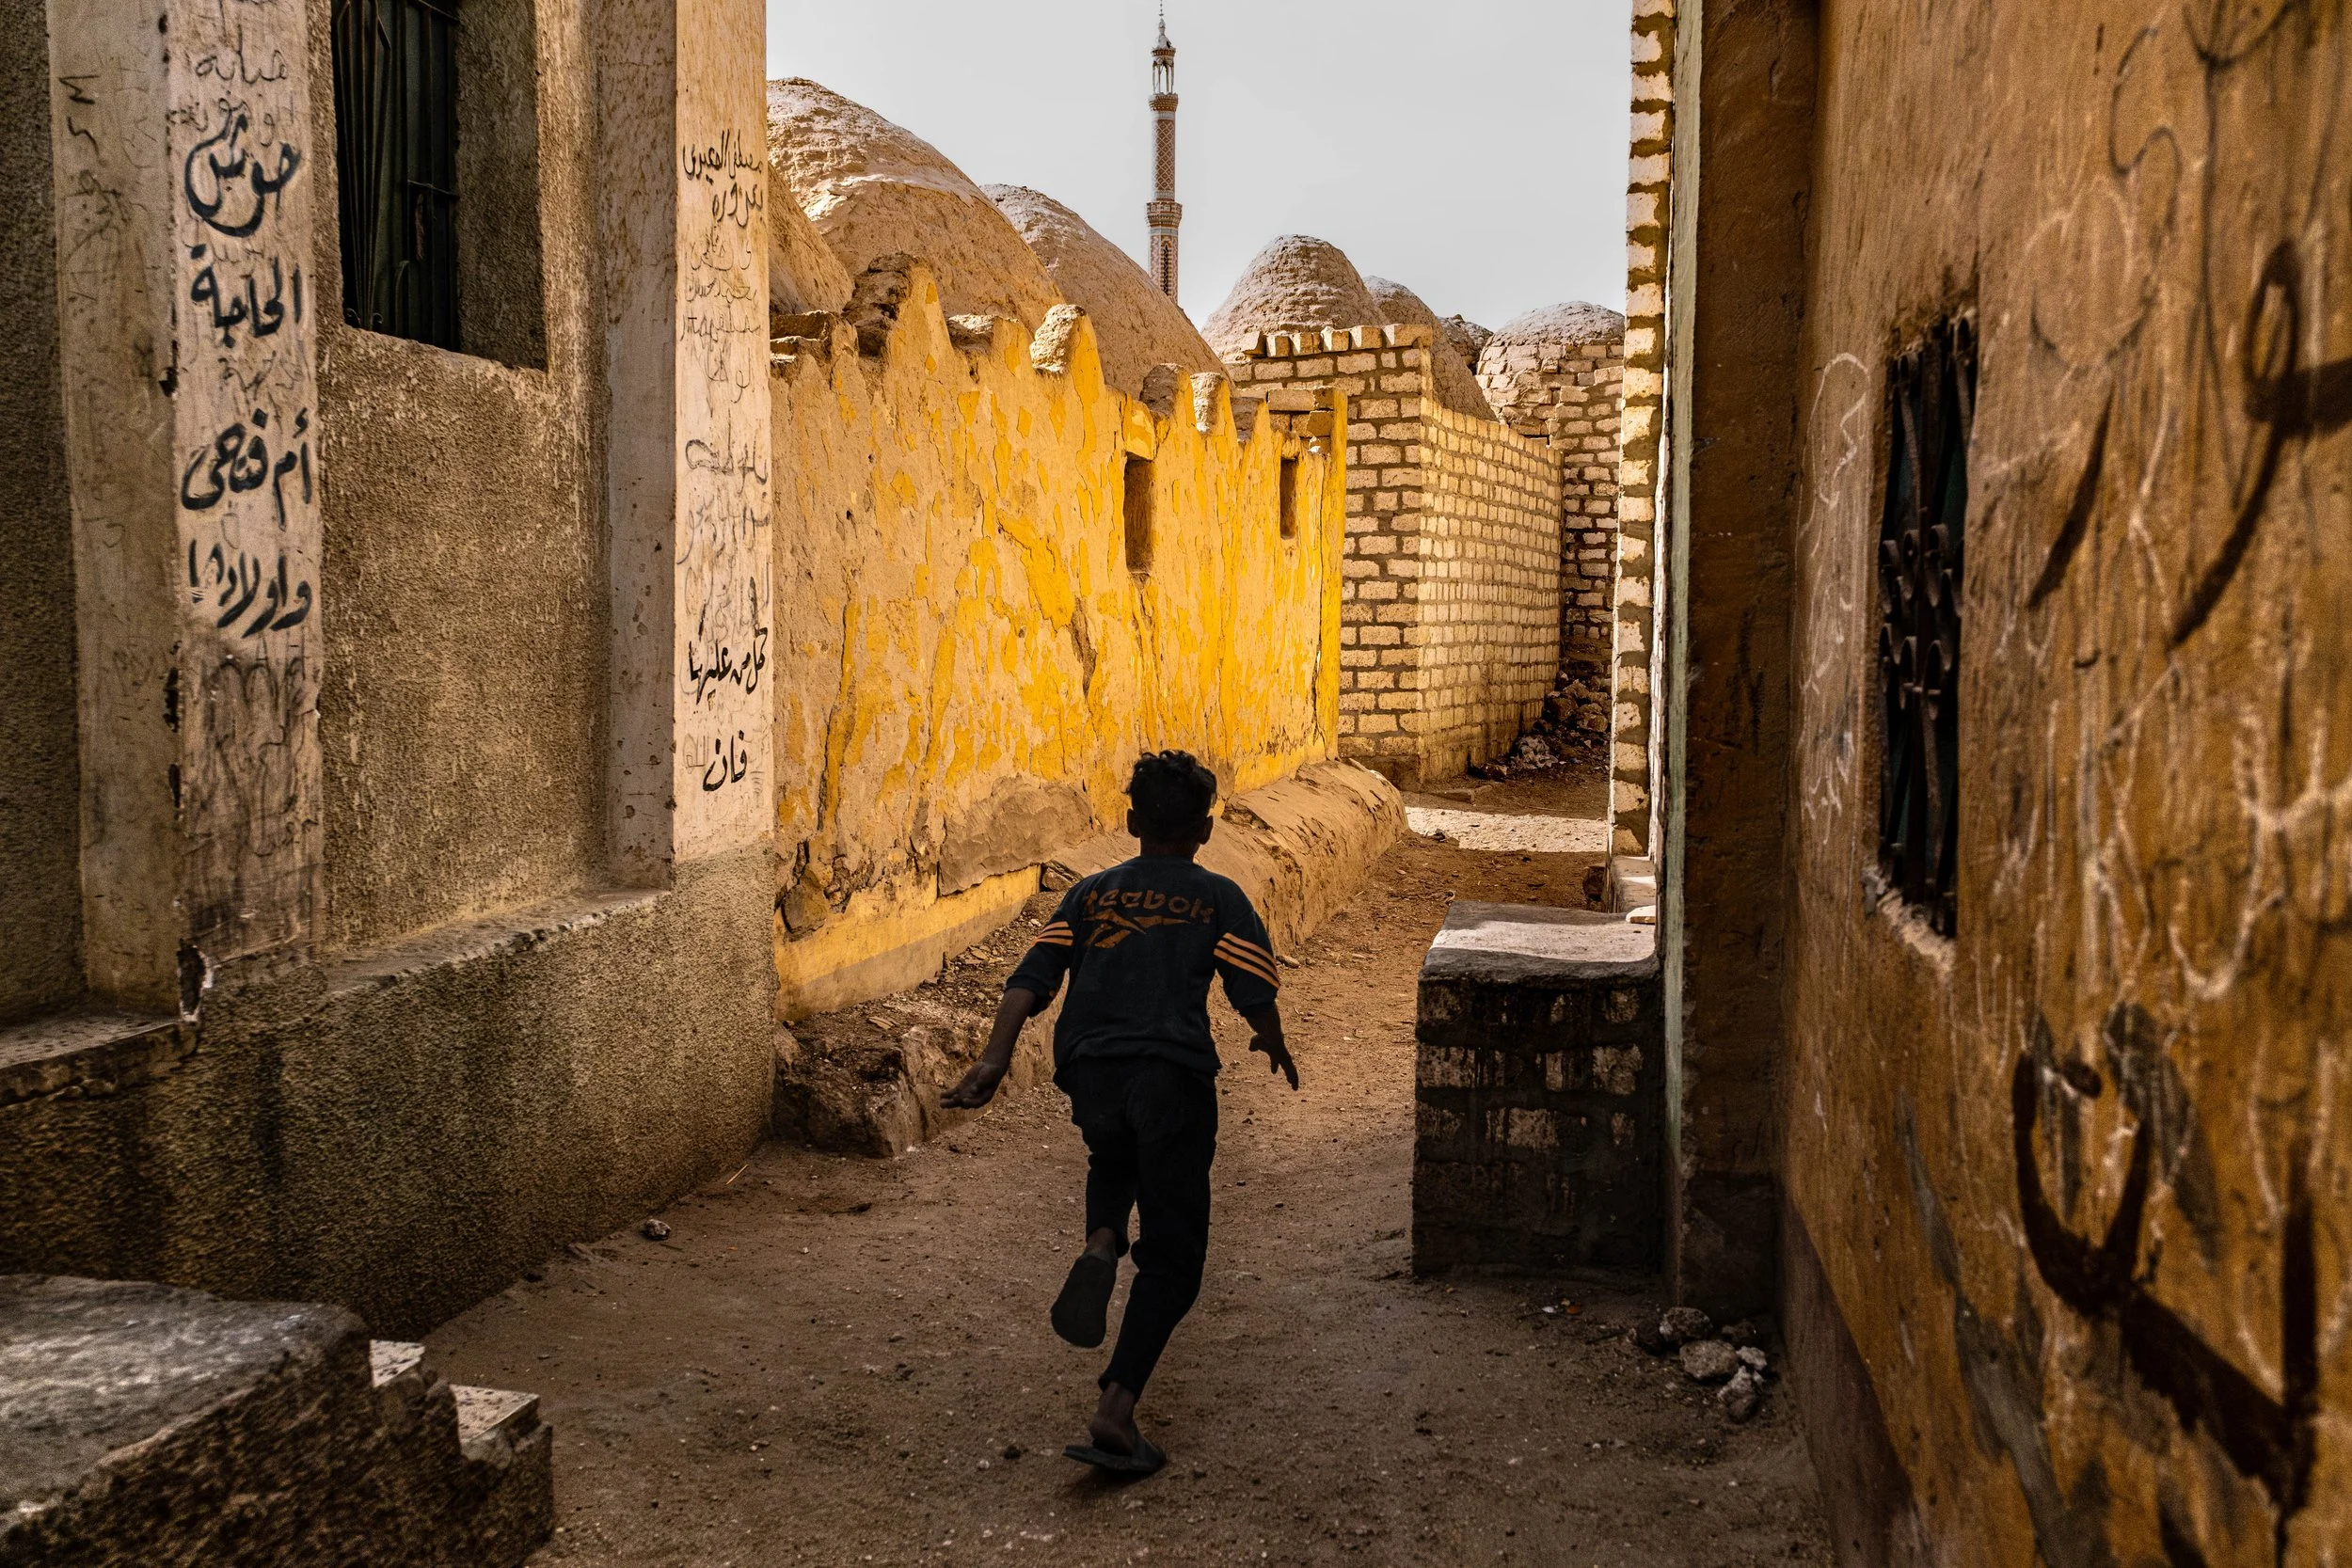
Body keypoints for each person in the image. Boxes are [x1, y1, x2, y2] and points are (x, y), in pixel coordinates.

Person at [942, 750, 1298, 1477]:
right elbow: (1253, 987)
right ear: (1205, 830)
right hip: (1170, 1076)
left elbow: (1030, 977)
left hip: (1091, 1069)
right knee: (1174, 1255)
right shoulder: (1218, 896)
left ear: (1131, 821)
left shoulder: (1090, 892)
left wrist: (994, 1060)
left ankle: (1102, 1237)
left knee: (1113, 1153)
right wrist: (1272, 1039)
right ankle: (1116, 1408)